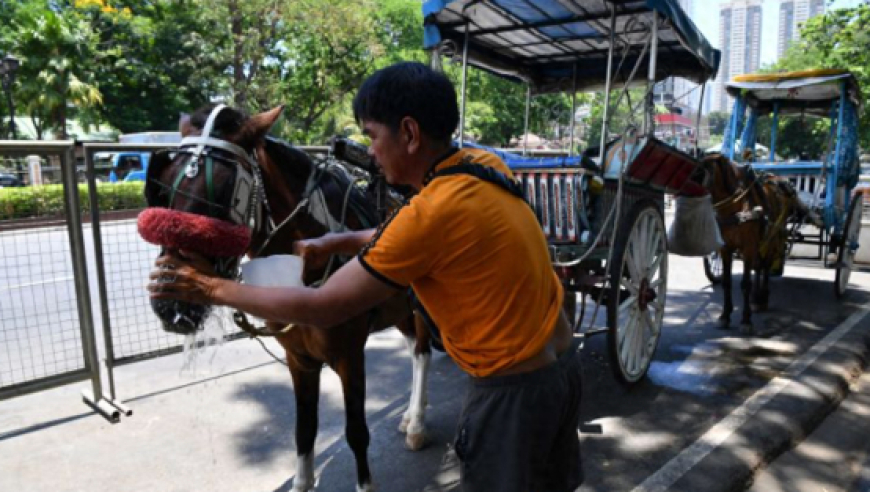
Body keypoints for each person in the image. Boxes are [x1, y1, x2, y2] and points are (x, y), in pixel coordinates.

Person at [148, 61, 583, 491]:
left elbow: (324, 307)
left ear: (409, 134)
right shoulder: (477, 166)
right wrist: (333, 244)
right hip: (561, 369)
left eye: (373, 137)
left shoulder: (429, 214)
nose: (370, 152)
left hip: (513, 396)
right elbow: (409, 234)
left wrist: (207, 286)